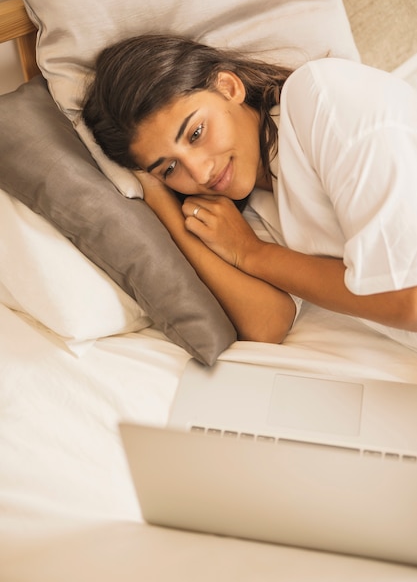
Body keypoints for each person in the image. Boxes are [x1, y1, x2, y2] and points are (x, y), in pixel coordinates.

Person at [82, 34, 417, 350]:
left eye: (196, 133)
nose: (199, 172)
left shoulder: (320, 99)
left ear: (229, 87)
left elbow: (408, 301)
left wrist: (251, 252)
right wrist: (159, 201)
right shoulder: (244, 199)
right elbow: (268, 322)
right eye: (169, 167)